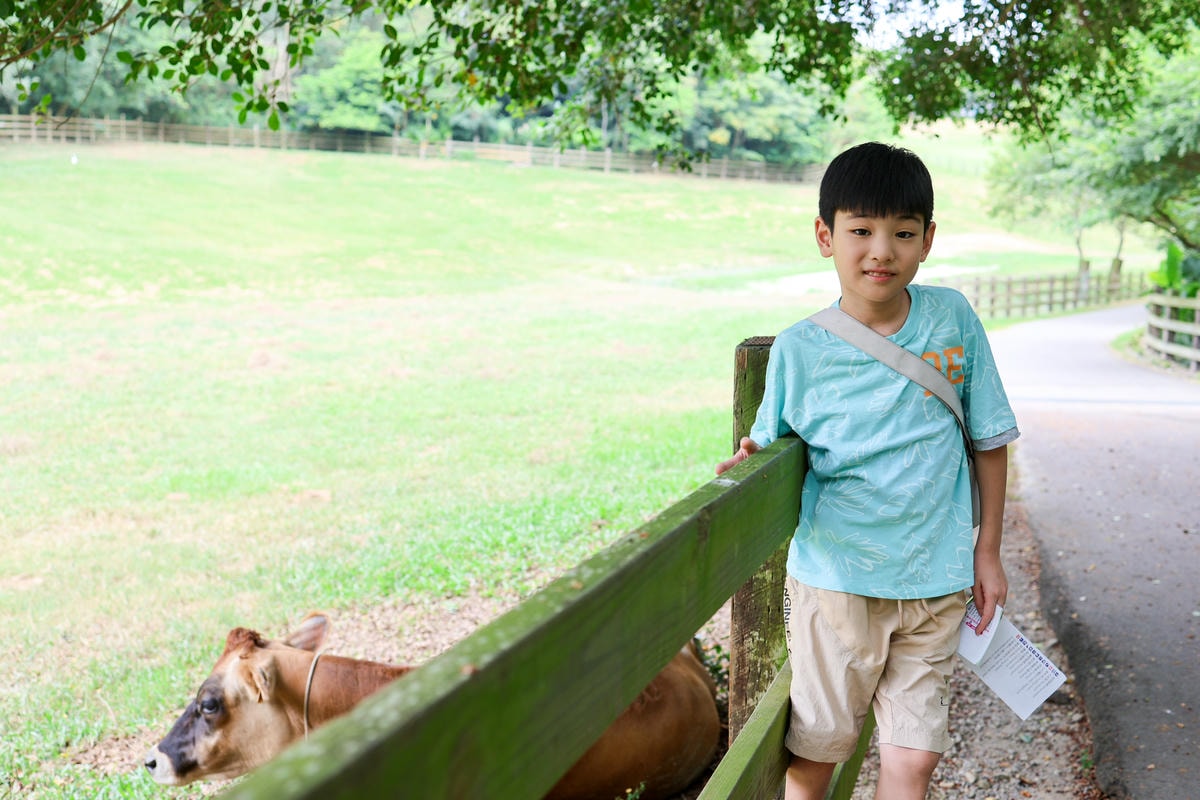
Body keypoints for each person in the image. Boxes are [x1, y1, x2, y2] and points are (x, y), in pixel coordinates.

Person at [716, 142, 1019, 800]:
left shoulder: (953, 320)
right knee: (817, 755)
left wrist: (986, 551)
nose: (881, 251)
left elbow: (990, 439)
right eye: (861, 231)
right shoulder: (801, 348)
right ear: (827, 236)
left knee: (913, 761)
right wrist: (749, 462)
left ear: (927, 240)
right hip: (840, 587)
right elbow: (768, 445)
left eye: (902, 233)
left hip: (937, 583)